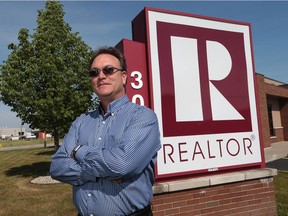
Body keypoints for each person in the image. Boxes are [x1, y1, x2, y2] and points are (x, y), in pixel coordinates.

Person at [50, 46, 161, 216]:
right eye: (94, 72)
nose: (101, 76)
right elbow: (57, 167)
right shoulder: (81, 122)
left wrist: (80, 151)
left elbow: (121, 164)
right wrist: (98, 173)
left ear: (123, 77)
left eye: (108, 70)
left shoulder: (142, 117)